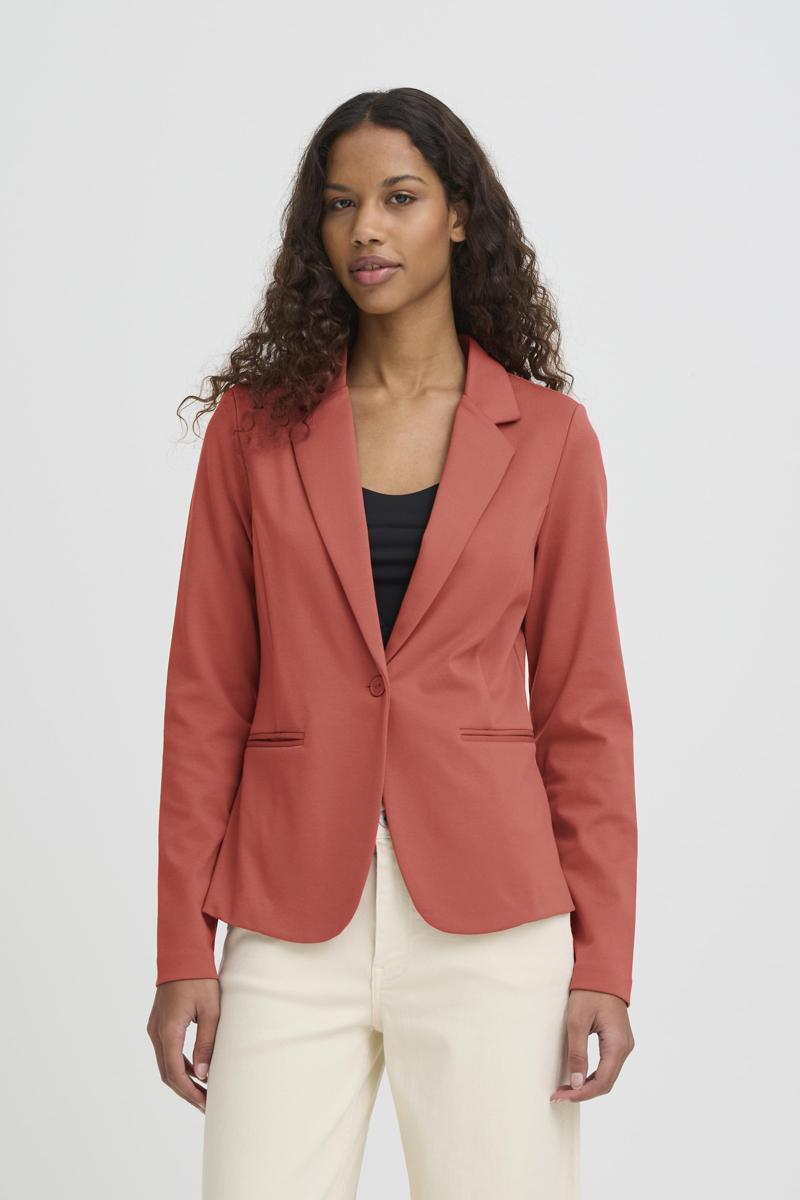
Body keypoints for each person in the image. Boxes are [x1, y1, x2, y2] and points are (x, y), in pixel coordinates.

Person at [146, 86, 637, 1199]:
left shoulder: (549, 439)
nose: (365, 227)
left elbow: (584, 714)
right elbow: (204, 697)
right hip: (286, 913)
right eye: (340, 204)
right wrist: (183, 944)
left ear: (458, 216)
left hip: (494, 926)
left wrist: (603, 960)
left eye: (398, 198)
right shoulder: (254, 431)